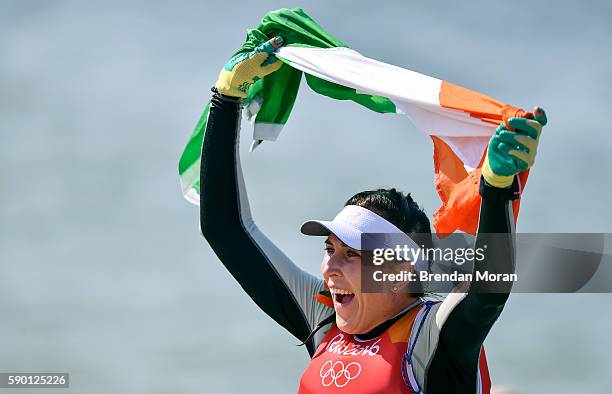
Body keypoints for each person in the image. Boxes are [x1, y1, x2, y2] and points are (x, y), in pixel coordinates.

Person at [200, 36, 547, 393]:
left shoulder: (429, 338)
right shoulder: (323, 322)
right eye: (330, 249)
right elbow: (226, 229)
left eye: (352, 254)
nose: (330, 268)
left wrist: (496, 187)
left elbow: (488, 287)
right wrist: (226, 99)